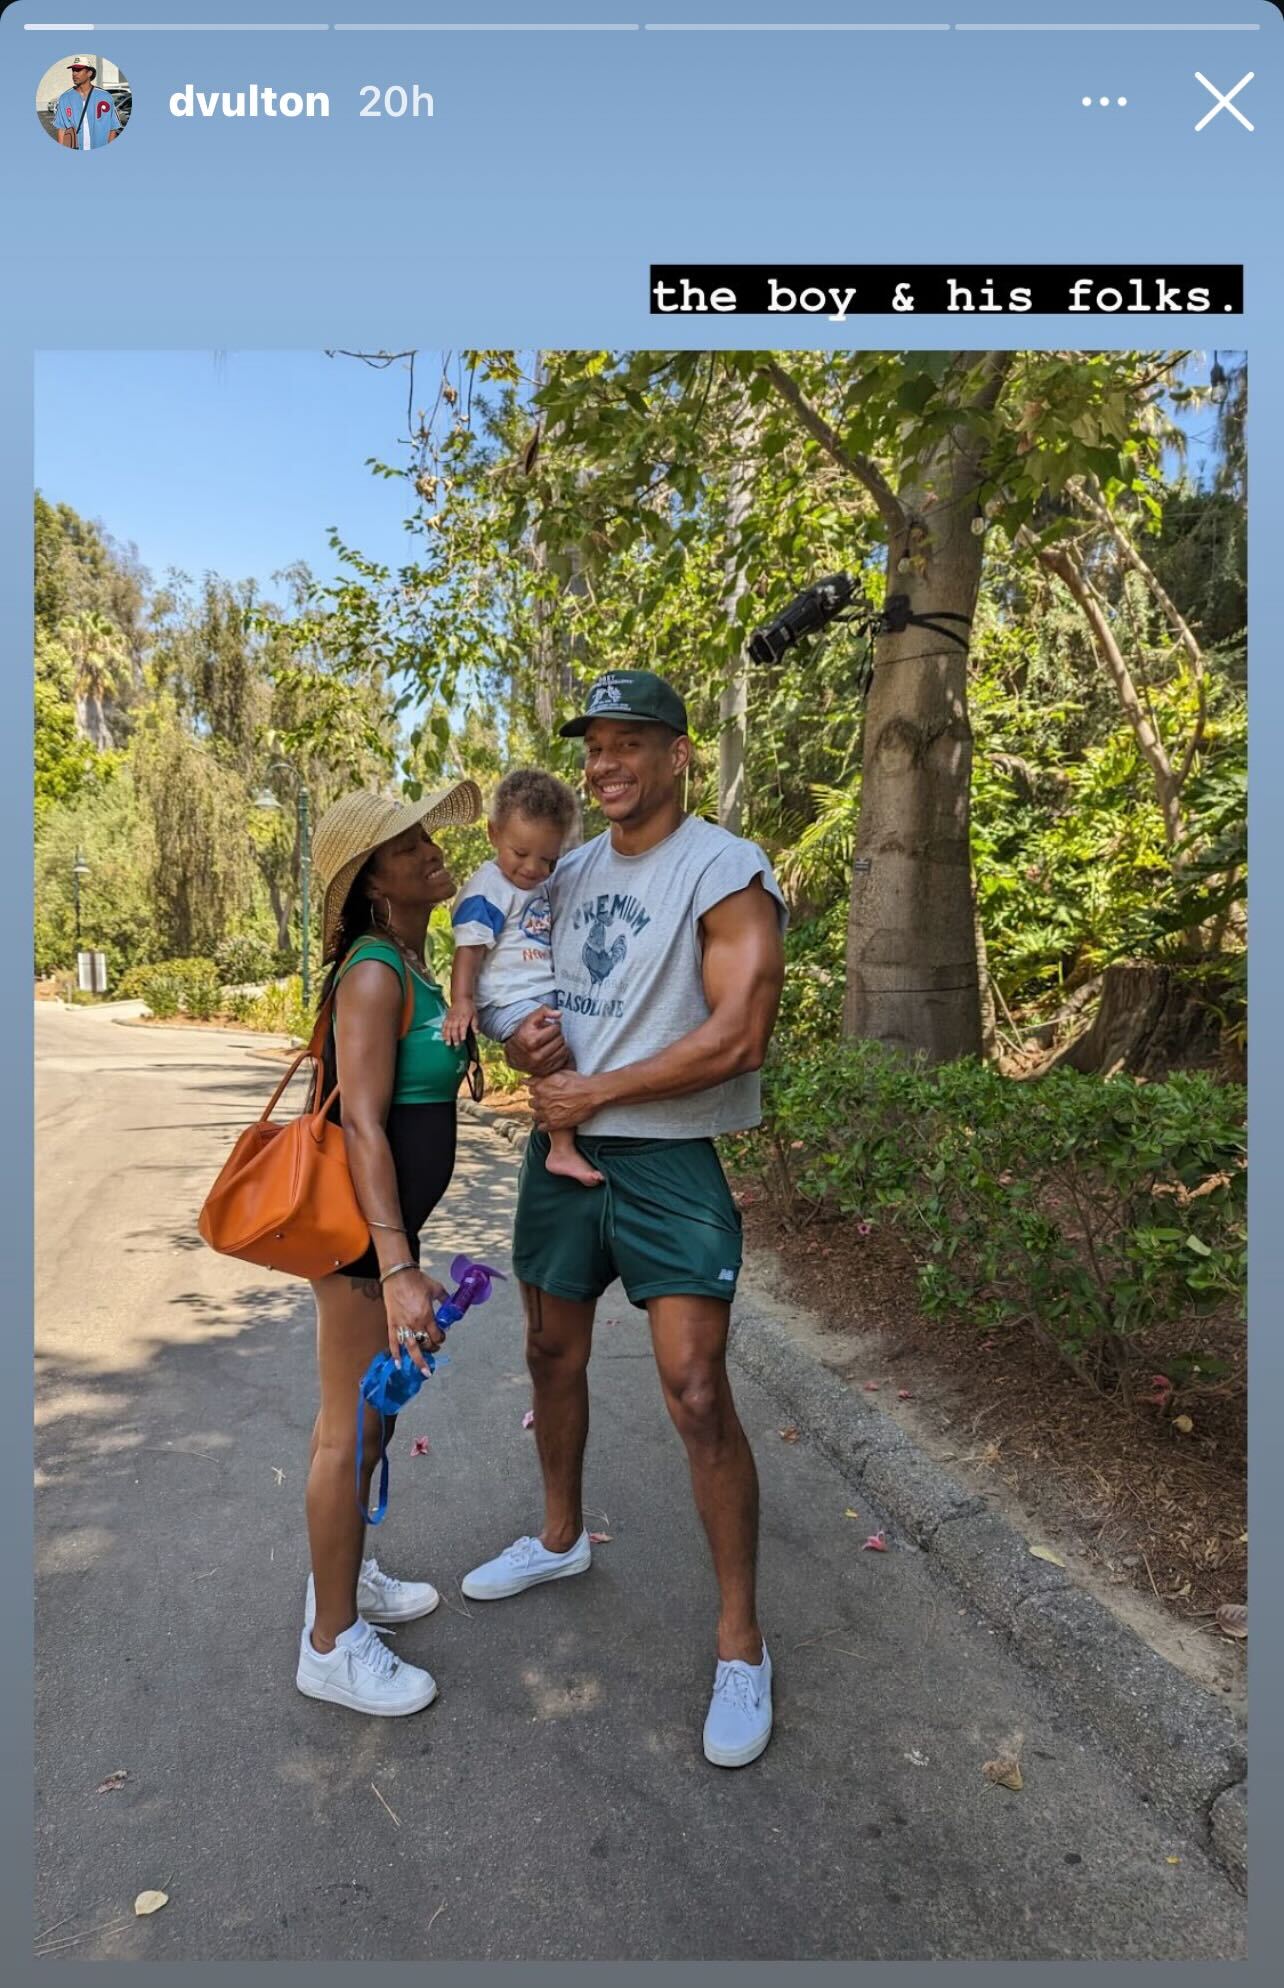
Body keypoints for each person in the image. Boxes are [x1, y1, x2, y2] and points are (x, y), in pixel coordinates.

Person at [460, 671, 787, 1769]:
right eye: (595, 745)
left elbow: (741, 1035)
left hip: (667, 1161)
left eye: (629, 744)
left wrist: (594, 1091)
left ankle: (740, 1639)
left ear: (680, 754)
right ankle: (558, 1537)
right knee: (550, 1347)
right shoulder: (567, 859)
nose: (605, 764)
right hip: (565, 1157)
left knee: (697, 1390)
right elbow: (506, 958)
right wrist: (519, 1038)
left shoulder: (724, 868)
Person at [295, 779, 482, 1717]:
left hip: (386, 1242)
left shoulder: (412, 962)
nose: (431, 852)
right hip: (362, 1247)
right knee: (349, 1429)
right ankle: (329, 1642)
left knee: (375, 1415)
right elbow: (364, 1129)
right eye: (409, 847)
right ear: (375, 881)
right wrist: (398, 1266)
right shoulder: (373, 970)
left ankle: (346, 1577)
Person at [444, 767, 601, 1189]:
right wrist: (463, 1001)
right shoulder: (488, 887)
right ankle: (561, 1149)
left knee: (570, 1048)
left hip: (533, 995)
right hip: (504, 1000)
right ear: (493, 834)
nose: (533, 868)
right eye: (520, 853)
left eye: (547, 859)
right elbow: (470, 948)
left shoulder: (536, 885)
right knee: (556, 1052)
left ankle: (565, 1140)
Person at [52, 60, 122, 149]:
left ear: (89, 73)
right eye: (73, 70)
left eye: (78, 70)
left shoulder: (105, 96)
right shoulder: (64, 98)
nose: (74, 73)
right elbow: (61, 129)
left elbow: (113, 128)